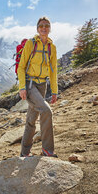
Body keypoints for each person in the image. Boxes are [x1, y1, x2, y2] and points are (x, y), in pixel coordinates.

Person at [18, 16, 58, 157]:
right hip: (30, 84)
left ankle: (24, 153)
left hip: (42, 85)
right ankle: (47, 149)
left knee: (31, 120)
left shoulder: (52, 48)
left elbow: (53, 71)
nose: (44, 28)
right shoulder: (31, 43)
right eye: (41, 25)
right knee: (46, 111)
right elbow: (21, 67)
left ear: (50, 28)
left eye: (46, 25)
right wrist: (22, 87)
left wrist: (54, 91)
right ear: (37, 28)